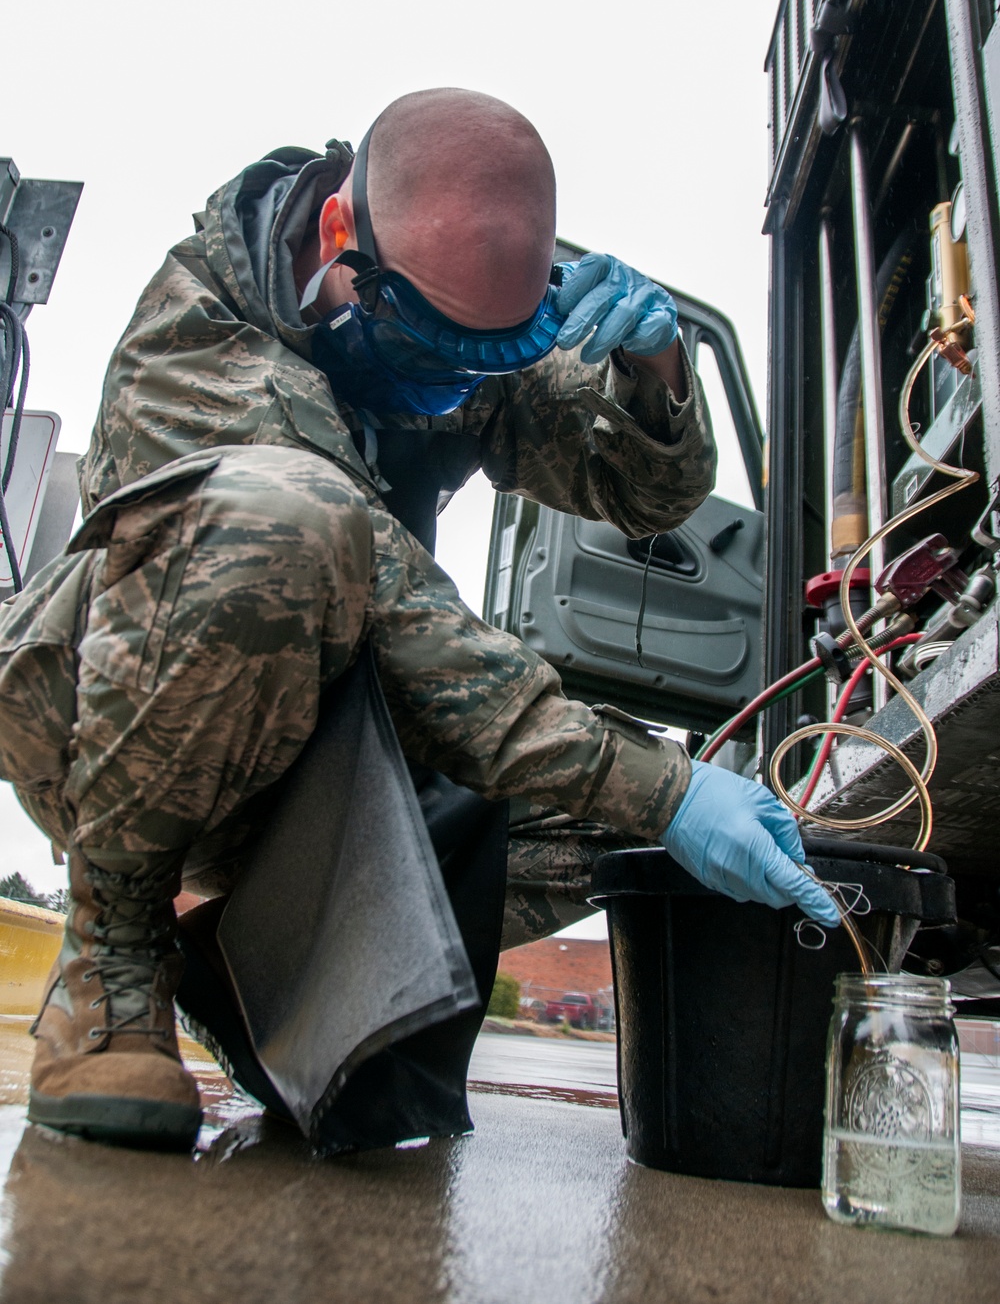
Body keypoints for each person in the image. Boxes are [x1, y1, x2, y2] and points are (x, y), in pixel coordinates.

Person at [0, 88, 837, 1152]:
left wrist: (653, 371)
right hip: (127, 727)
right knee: (290, 526)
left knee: (612, 817)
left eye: (476, 362)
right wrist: (667, 794)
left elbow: (642, 497)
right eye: (433, 350)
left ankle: (266, 985)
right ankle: (113, 963)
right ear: (341, 235)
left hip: (326, 730)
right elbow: (412, 638)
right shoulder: (204, 332)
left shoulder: (438, 322)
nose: (452, 389)